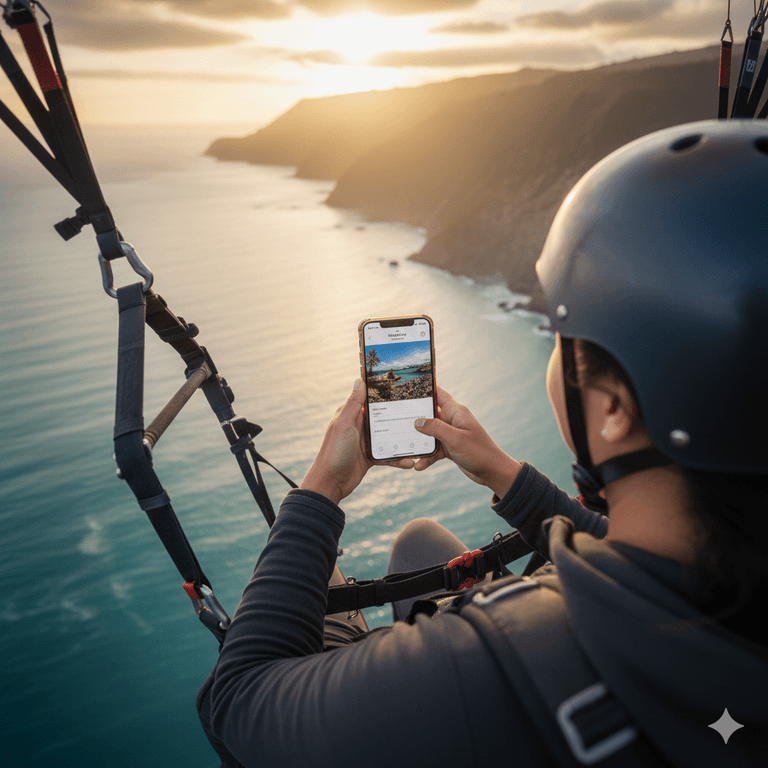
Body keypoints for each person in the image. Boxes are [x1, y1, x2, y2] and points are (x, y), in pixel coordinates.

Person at [198, 120, 768, 767]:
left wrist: (321, 489)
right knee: (419, 542)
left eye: (562, 333)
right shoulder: (729, 575)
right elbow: (643, 563)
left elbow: (236, 704)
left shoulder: (488, 662)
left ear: (613, 408)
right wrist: (501, 470)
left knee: (334, 579)